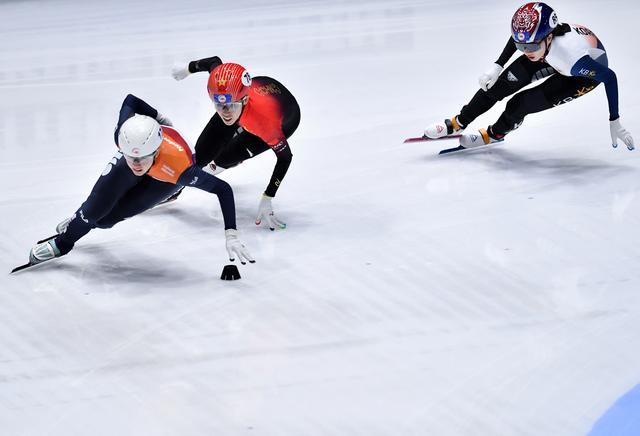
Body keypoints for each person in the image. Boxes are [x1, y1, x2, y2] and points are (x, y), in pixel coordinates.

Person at [28, 94, 254, 266]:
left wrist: (231, 233)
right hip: (146, 157)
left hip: (166, 176)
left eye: (142, 159)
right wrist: (158, 116)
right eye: (131, 157)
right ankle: (65, 241)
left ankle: (86, 221)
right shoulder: (124, 138)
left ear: (155, 151)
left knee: (106, 221)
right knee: (93, 210)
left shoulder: (181, 169)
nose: (136, 164)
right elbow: (131, 100)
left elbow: (223, 190)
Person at [424, 2, 634, 151]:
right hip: (548, 55)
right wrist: (498, 65)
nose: (526, 50)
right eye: (521, 45)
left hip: (580, 77)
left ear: (549, 37)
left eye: (530, 45)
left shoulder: (572, 59)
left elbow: (610, 76)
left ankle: (494, 134)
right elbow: (521, 38)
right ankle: (458, 122)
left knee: (520, 103)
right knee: (496, 87)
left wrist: (614, 119)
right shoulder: (536, 41)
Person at [171, 57, 301, 230]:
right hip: (244, 105)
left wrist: (268, 196)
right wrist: (188, 68)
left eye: (230, 106)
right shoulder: (224, 88)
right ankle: (175, 188)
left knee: (225, 157)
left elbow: (285, 158)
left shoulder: (266, 124)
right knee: (199, 157)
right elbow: (214, 62)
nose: (225, 112)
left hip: (284, 119)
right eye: (218, 104)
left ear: (244, 100)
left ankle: (221, 164)